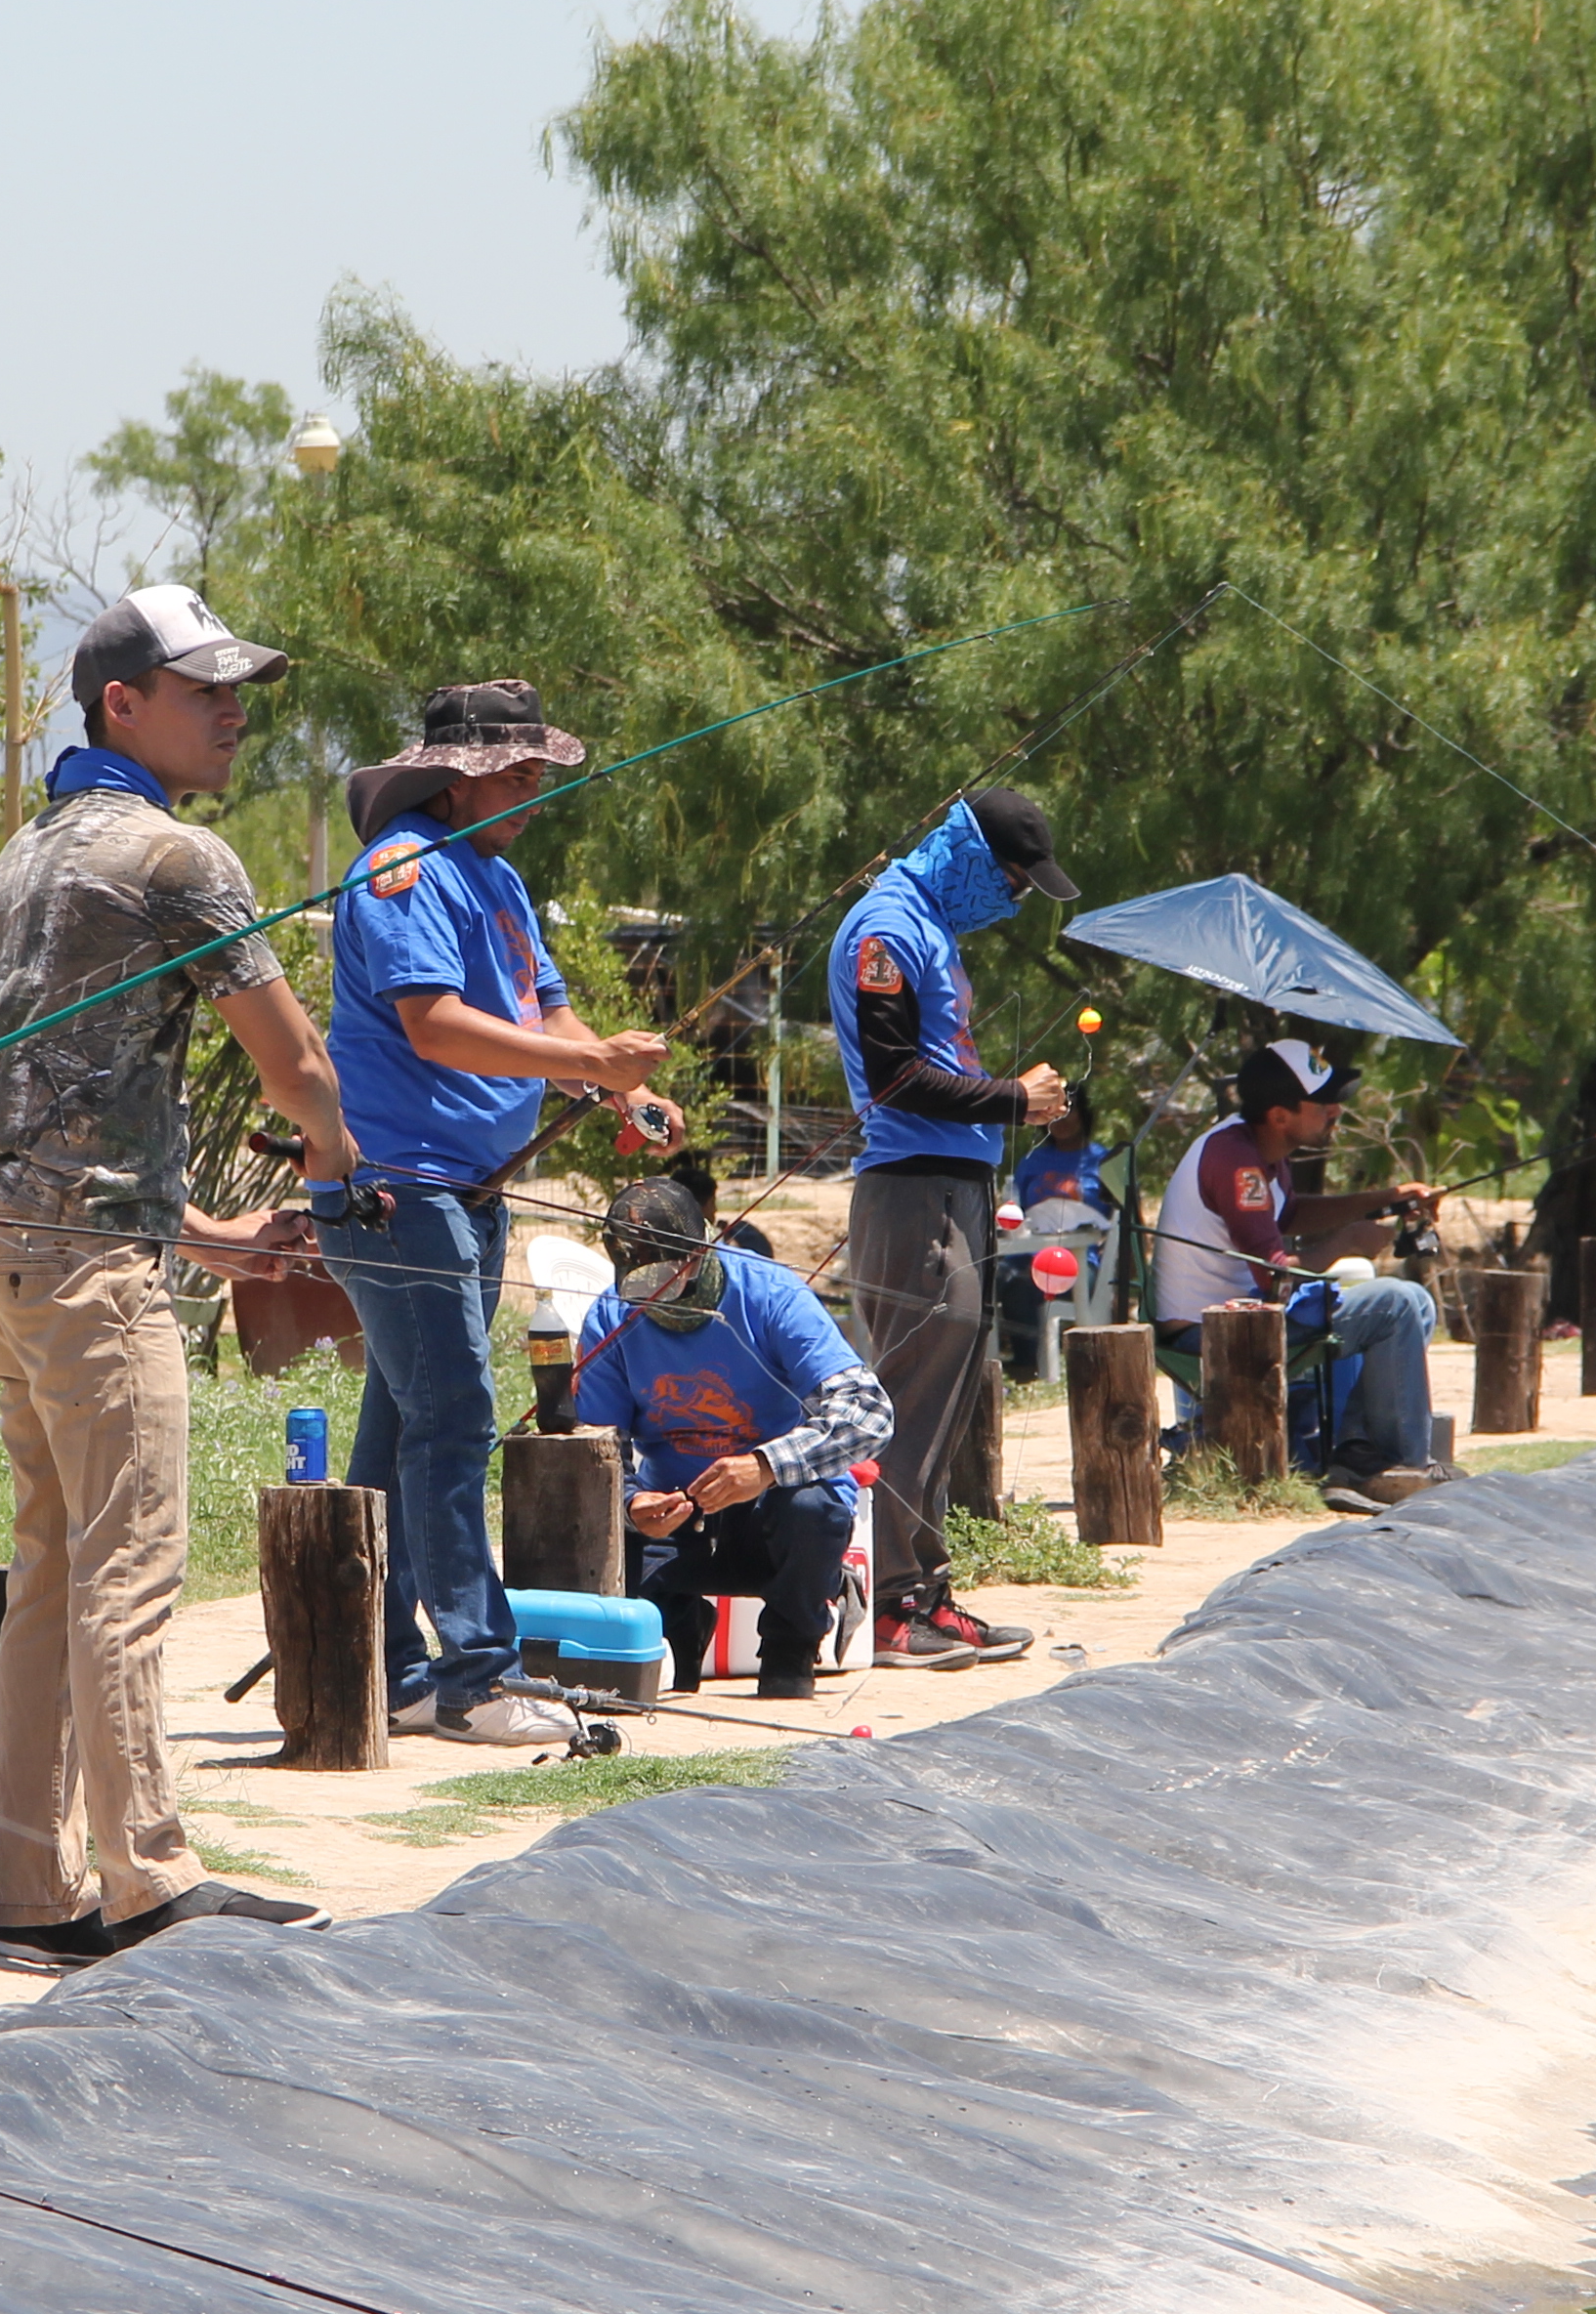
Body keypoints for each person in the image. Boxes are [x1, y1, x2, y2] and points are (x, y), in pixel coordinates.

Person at [0, 585, 353, 1966]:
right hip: (89, 1269)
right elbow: (295, 1069)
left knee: (55, 1569)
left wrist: (204, 1236)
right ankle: (148, 1876)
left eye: (242, 689)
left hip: (2, 1247)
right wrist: (341, 1158)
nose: (236, 712)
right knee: (131, 1566)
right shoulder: (182, 861)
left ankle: (33, 1891)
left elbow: (60, 1107)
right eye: (208, 691)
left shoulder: (14, 868)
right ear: (123, 705)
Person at [319, 680, 674, 1742]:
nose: (532, 781)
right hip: (399, 1189)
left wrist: (618, 1085)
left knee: (401, 1430)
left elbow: (544, 1008)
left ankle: (388, 1665)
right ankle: (477, 1674)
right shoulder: (402, 870)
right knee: (458, 1415)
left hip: (468, 1196)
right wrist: (584, 1060)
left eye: (539, 765)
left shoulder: (504, 880)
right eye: (511, 763)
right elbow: (434, 1026)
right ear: (452, 771)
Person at [832, 785, 1075, 1667]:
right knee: (911, 1396)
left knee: (945, 1399)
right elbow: (895, 1077)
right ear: (969, 854)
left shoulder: (928, 925)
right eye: (1011, 879)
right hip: (914, 1188)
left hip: (954, 1182)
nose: (1013, 899)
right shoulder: (887, 930)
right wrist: (1014, 1099)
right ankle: (893, 1605)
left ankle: (925, 1592)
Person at [571, 1178, 895, 1700]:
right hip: (678, 1516)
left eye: (669, 1280)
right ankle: (678, 1625)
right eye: (642, 1285)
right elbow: (597, 1449)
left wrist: (765, 1467)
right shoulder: (610, 1315)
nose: (656, 1299)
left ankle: (791, 1647)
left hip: (773, 1514)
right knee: (598, 1530)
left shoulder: (773, 1293)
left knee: (814, 1507)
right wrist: (633, 1503)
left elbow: (871, 1413)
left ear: (702, 1253)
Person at [1152, 1035, 1451, 1504]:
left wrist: (1386, 1198)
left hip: (1242, 1315)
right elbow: (1278, 1278)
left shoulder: (1261, 1151)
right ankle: (1396, 1464)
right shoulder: (1238, 1164)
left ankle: (1359, 1452)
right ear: (1279, 1115)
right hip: (1211, 1331)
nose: (1335, 1111)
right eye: (1324, 1102)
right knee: (1394, 1303)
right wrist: (1349, 1241)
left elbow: (1287, 1216)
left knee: (1417, 1302)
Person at [997, 1096, 1114, 1378]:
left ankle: (1028, 1365)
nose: (1060, 1121)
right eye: (1051, 1114)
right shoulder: (1031, 1161)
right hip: (1026, 1252)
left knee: (1027, 1284)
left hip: (1078, 1258)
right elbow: (1017, 1210)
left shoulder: (1103, 1161)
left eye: (1067, 1112)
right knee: (998, 1278)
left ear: (1084, 1114)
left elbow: (1122, 1218)